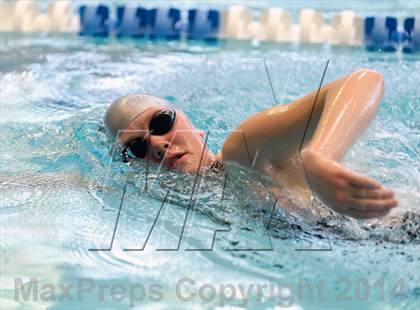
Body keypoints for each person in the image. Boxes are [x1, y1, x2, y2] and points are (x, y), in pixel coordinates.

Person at [104, 68, 398, 220]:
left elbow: (365, 81)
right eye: (137, 147)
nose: (157, 145)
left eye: (161, 123)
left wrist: (321, 155)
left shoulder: (243, 152)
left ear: (192, 124)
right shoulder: (176, 200)